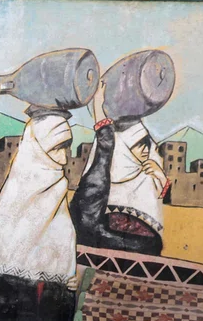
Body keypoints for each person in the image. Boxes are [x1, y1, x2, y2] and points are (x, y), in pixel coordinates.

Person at [0, 111, 78, 321]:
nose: (65, 158)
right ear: (37, 151)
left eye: (66, 148)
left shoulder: (59, 201)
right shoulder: (12, 202)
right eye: (57, 148)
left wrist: (69, 285)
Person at [69, 81, 169, 256]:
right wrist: (99, 108)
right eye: (138, 145)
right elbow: (106, 144)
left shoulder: (146, 174)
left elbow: (162, 196)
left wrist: (160, 175)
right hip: (103, 236)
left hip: (142, 244)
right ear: (122, 149)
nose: (145, 150)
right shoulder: (103, 171)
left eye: (145, 144)